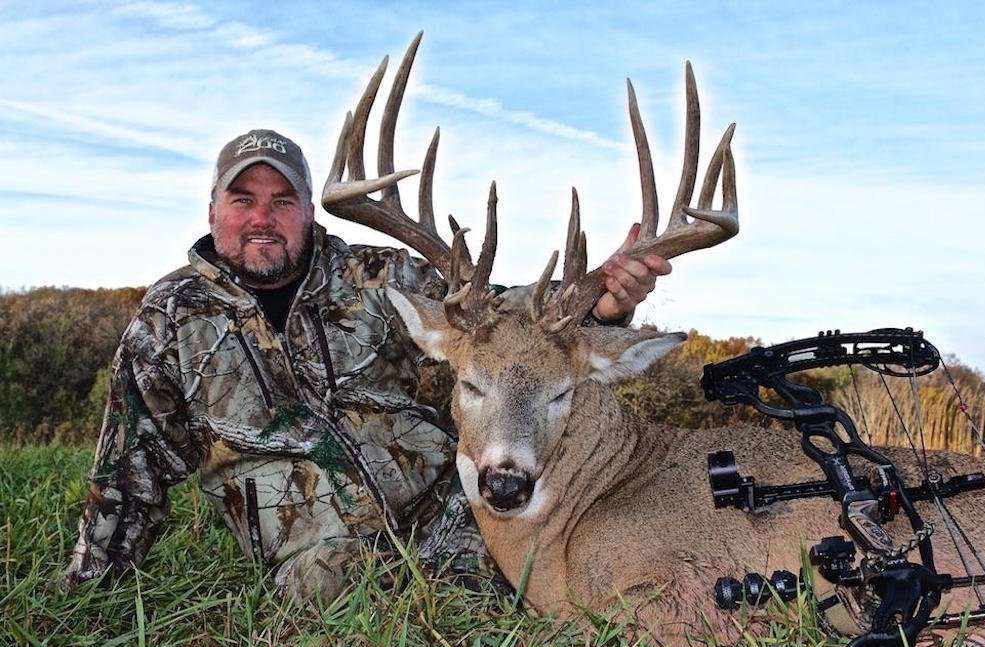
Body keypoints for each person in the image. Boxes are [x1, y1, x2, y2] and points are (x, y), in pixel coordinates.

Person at [65, 129, 671, 603]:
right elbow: (129, 469)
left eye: (282, 201)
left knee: (541, 581)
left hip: (446, 505)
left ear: (308, 210)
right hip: (311, 540)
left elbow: (499, 323)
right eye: (242, 199)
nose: (261, 218)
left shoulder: (377, 278)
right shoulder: (171, 317)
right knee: (334, 596)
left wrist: (602, 299)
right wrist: (92, 590)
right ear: (212, 210)